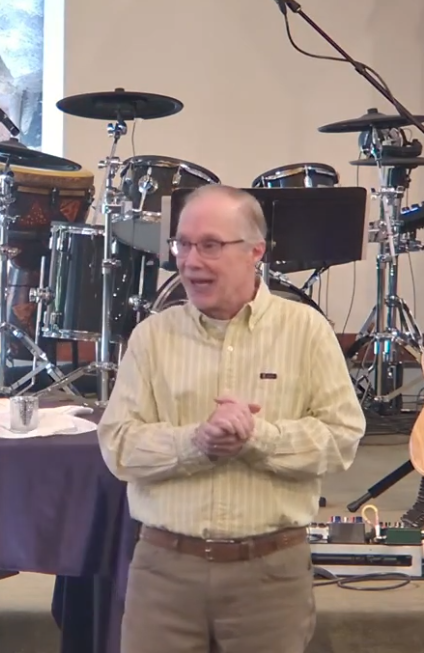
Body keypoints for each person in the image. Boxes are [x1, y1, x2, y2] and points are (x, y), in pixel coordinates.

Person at [98, 184, 366, 653]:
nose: (190, 261)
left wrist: (257, 437)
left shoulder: (306, 331)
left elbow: (341, 437)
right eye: (182, 244)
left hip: (269, 575)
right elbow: (118, 445)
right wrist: (196, 443)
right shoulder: (151, 336)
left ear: (255, 252)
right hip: (164, 574)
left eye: (210, 245)